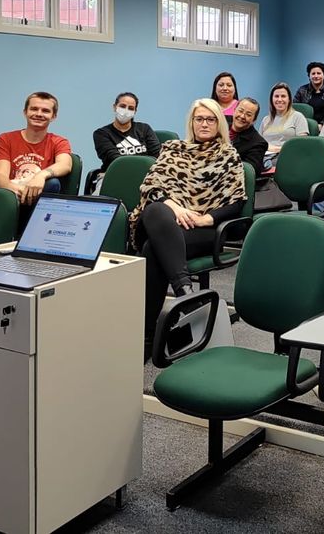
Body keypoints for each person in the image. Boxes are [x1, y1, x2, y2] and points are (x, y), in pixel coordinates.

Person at [129, 99, 246, 352]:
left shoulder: (228, 154)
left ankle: (148, 337)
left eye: (210, 119)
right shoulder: (172, 149)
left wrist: (206, 218)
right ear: (191, 123)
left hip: (204, 229)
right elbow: (152, 186)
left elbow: (236, 201)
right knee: (157, 208)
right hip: (169, 220)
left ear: (219, 123)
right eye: (199, 119)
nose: (204, 124)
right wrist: (177, 208)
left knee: (153, 249)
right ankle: (186, 293)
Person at [0, 92, 73, 224]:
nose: (39, 114)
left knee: (52, 184)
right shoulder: (5, 139)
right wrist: (23, 192)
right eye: (34, 109)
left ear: (53, 116)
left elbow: (65, 165)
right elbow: (0, 176)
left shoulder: (59, 141)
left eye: (45, 111)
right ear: (25, 112)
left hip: (39, 202)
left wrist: (40, 176)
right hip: (11, 197)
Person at [92, 91, 161, 179]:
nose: (126, 111)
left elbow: (156, 156)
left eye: (131, 108)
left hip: (146, 176)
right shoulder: (101, 134)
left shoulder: (144, 129)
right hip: (114, 176)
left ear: (135, 111)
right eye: (122, 106)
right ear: (114, 107)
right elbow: (114, 159)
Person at [259, 81, 309, 168]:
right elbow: (258, 144)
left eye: (283, 96)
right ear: (272, 99)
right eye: (276, 96)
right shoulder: (265, 120)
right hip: (265, 157)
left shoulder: (298, 117)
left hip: (287, 158)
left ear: (289, 99)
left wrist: (277, 149)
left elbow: (302, 145)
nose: (279, 99)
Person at [294, 61, 324, 126]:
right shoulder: (302, 90)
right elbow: (295, 110)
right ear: (309, 76)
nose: (316, 76)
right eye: (313, 73)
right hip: (304, 125)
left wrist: (323, 125)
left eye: (319, 73)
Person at [229, 96, 269, 173]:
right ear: (234, 111)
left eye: (248, 114)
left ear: (254, 120)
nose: (242, 116)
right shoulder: (219, 124)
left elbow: (250, 172)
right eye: (240, 111)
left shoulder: (258, 143)